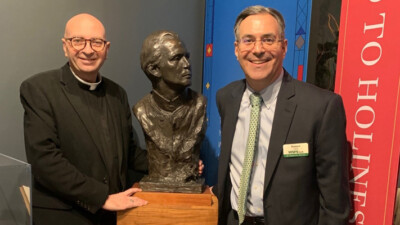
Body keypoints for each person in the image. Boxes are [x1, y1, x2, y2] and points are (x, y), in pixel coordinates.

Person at [213, 5, 350, 225]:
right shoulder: (226, 98)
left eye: (268, 39)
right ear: (237, 49)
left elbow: (334, 205)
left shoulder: (321, 107)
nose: (258, 49)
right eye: (248, 40)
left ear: (284, 47)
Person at [20, 13, 148, 225]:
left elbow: (130, 153)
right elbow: (44, 160)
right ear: (65, 46)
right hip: (63, 216)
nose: (88, 50)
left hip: (114, 216)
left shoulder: (117, 94)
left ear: (106, 49)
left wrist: (176, 164)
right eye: (78, 41)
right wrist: (101, 197)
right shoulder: (39, 89)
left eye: (96, 42)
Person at [133, 30, 207, 193]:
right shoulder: (141, 110)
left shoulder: (200, 105)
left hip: (190, 188)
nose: (187, 64)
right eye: (176, 58)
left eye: (186, 56)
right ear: (154, 69)